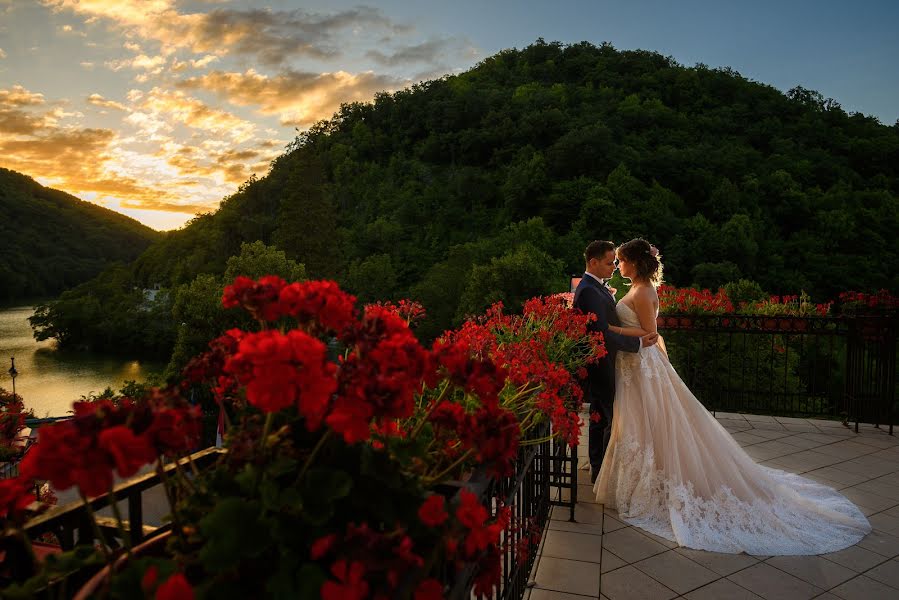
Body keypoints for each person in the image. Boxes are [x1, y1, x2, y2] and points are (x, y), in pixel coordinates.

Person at [593, 238, 870, 555]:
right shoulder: (637, 289)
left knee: (652, 422)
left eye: (623, 261)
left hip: (641, 366)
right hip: (634, 366)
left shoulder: (643, 292)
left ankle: (655, 487)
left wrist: (611, 332)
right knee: (639, 424)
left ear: (635, 263)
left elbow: (648, 333)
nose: (619, 265)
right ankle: (638, 483)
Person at [573, 241, 659, 484]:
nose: (614, 267)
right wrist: (638, 344)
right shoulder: (589, 289)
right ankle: (600, 471)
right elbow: (600, 333)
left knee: (608, 418)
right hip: (603, 364)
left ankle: (601, 469)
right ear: (593, 262)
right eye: (610, 262)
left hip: (616, 361)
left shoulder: (596, 287)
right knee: (605, 419)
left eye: (617, 261)